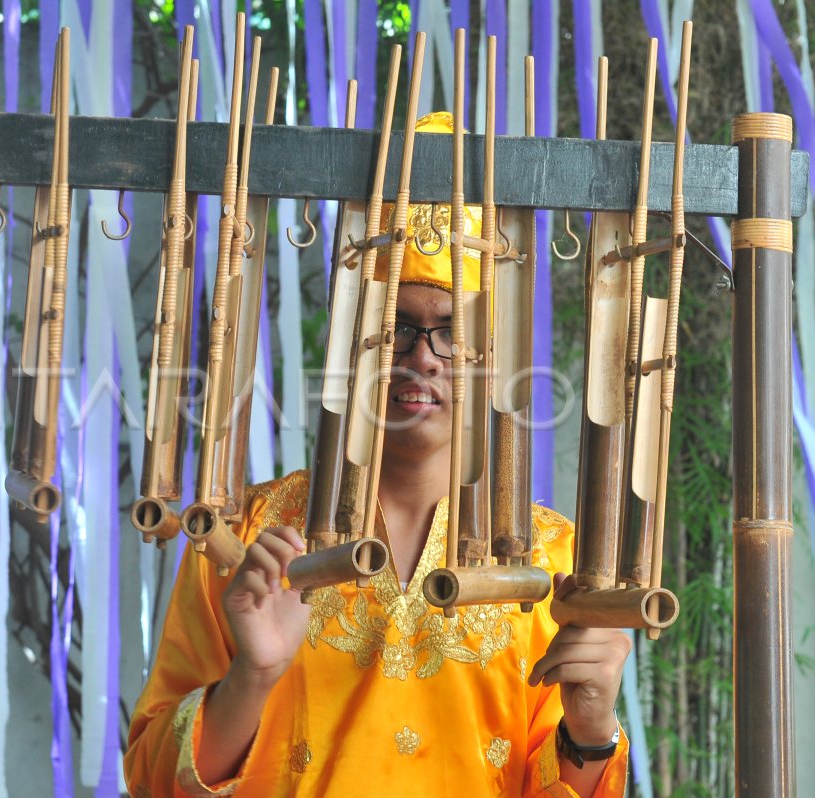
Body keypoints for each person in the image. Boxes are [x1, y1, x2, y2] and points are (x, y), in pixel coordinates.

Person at [125, 113, 630, 797]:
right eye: (395, 328)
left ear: (494, 357)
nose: (422, 357)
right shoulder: (246, 536)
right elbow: (153, 777)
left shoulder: (551, 567)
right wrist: (253, 677)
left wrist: (592, 726)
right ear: (350, 345)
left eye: (453, 331)